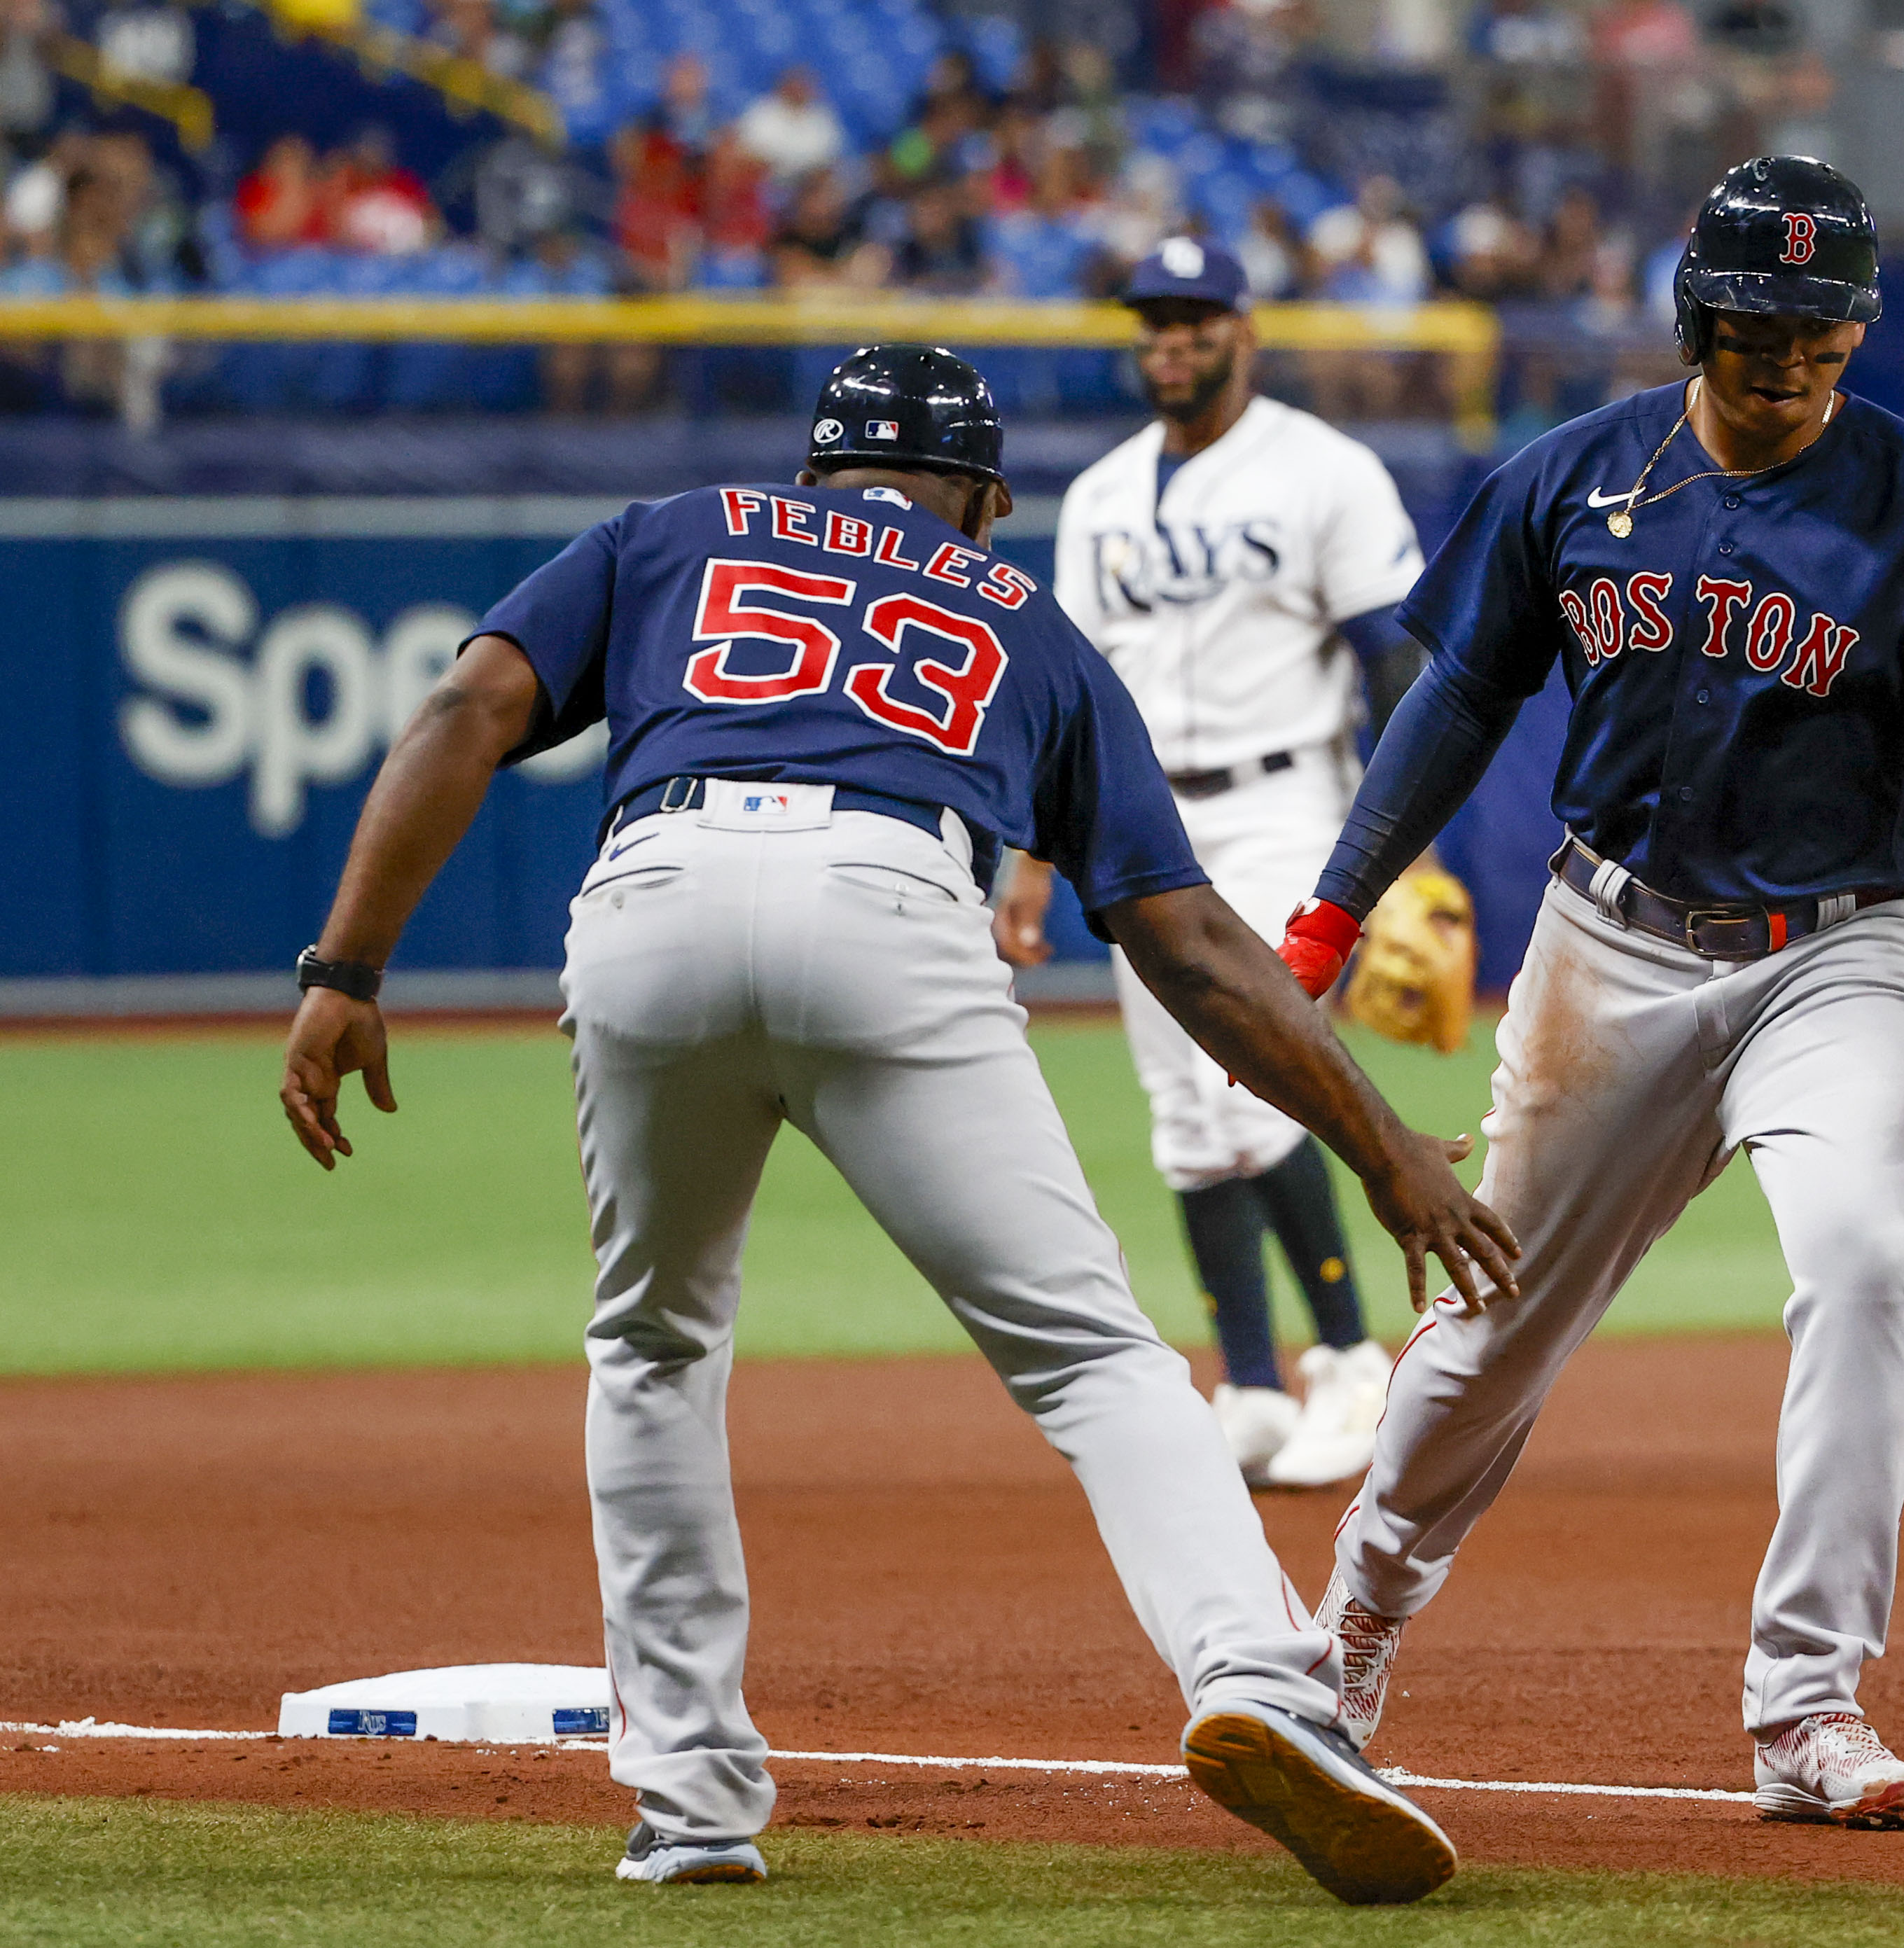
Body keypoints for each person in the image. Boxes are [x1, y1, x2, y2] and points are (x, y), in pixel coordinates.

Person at [277, 345, 1516, 1903]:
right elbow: (1186, 941)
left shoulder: (674, 528)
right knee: (1090, 1357)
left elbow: (471, 702)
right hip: (886, 897)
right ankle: (1262, 1684)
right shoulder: (1020, 618)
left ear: (809, 477)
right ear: (983, 502)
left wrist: (346, 965)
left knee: (652, 1343)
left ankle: (691, 1803)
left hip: (652, 896)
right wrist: (1381, 1146)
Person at [1274, 158, 1904, 1828]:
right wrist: (1328, 907)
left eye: (1817, 326)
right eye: (1754, 323)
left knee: (1869, 1261)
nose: (1786, 355)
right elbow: (1453, 700)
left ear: (1855, 328)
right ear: (1694, 315)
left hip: (1844, 954)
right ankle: (1352, 1618)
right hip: (1611, 946)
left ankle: (1807, 1703)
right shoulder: (1572, 477)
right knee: (1495, 1316)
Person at [996, 238, 1436, 1490]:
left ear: (1244, 331)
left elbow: (1395, 666)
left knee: (1254, 1079)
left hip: (1286, 803)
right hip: (1134, 823)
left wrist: (1408, 852)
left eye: (1193, 318)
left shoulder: (1322, 471)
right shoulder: (1098, 498)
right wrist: (1031, 860)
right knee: (1187, 1119)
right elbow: (1069, 697)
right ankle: (1249, 1382)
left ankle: (1349, 1364)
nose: (1169, 341)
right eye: (1153, 321)